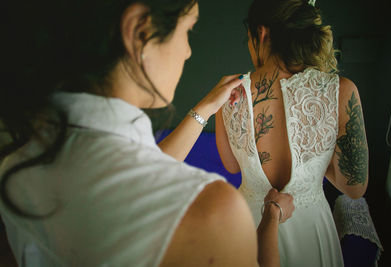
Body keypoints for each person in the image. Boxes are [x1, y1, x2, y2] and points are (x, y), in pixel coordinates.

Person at [0, 1, 295, 266]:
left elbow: (142, 169)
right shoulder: (211, 212)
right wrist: (271, 218)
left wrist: (205, 108)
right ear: (140, 32)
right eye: (188, 30)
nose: (188, 51)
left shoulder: (17, 161)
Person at [215, 0, 369, 266]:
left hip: (247, 227)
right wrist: (318, 160)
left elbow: (230, 165)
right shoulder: (342, 91)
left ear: (261, 33)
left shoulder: (228, 91)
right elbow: (354, 188)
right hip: (311, 228)